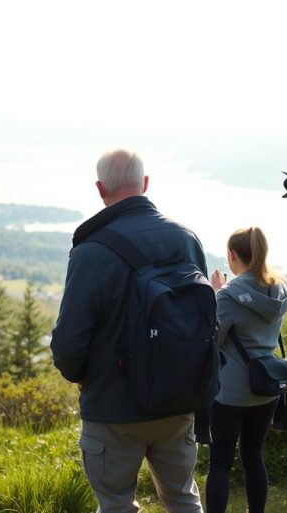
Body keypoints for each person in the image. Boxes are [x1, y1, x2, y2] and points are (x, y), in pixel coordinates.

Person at [51, 148, 207, 513]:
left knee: (116, 505)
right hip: (177, 399)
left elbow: (70, 341)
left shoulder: (90, 251)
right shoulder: (186, 239)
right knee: (183, 498)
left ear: (100, 188)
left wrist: (80, 376)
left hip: (112, 405)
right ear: (145, 184)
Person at [205, 226, 287, 513]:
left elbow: (213, 339)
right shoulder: (279, 291)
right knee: (254, 455)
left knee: (219, 460)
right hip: (267, 389)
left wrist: (215, 294)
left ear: (232, 255)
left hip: (231, 392)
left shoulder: (229, 296)